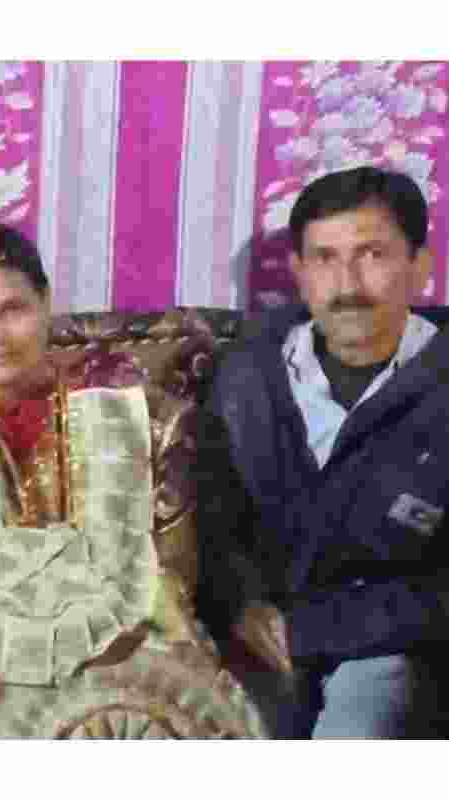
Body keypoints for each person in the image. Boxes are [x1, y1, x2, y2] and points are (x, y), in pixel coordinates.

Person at [0, 222, 263, 738]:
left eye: (12, 310)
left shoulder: (118, 393)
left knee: (167, 704)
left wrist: (119, 625)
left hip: (131, 613)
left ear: (45, 303)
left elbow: (172, 550)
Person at [200, 166, 449, 738]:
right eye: (325, 258)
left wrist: (320, 629)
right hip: (256, 642)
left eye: (372, 254)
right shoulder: (247, 374)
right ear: (299, 273)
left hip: (395, 650)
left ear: (420, 268)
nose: (347, 283)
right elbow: (211, 515)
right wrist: (241, 604)